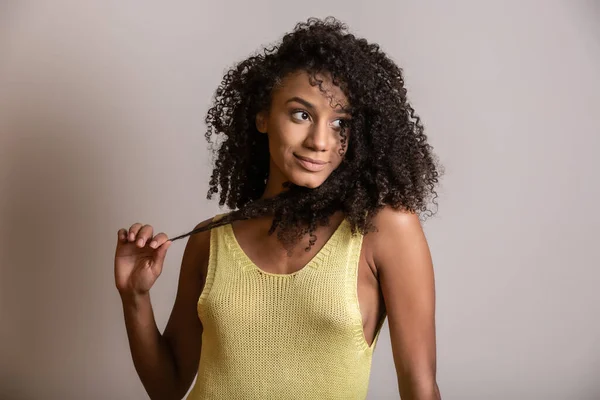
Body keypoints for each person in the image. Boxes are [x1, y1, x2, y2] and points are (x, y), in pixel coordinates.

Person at [114, 17, 442, 400]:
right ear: (263, 117)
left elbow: (419, 387)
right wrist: (134, 297)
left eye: (340, 123)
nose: (321, 140)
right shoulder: (210, 240)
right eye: (301, 115)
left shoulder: (382, 231)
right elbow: (166, 388)